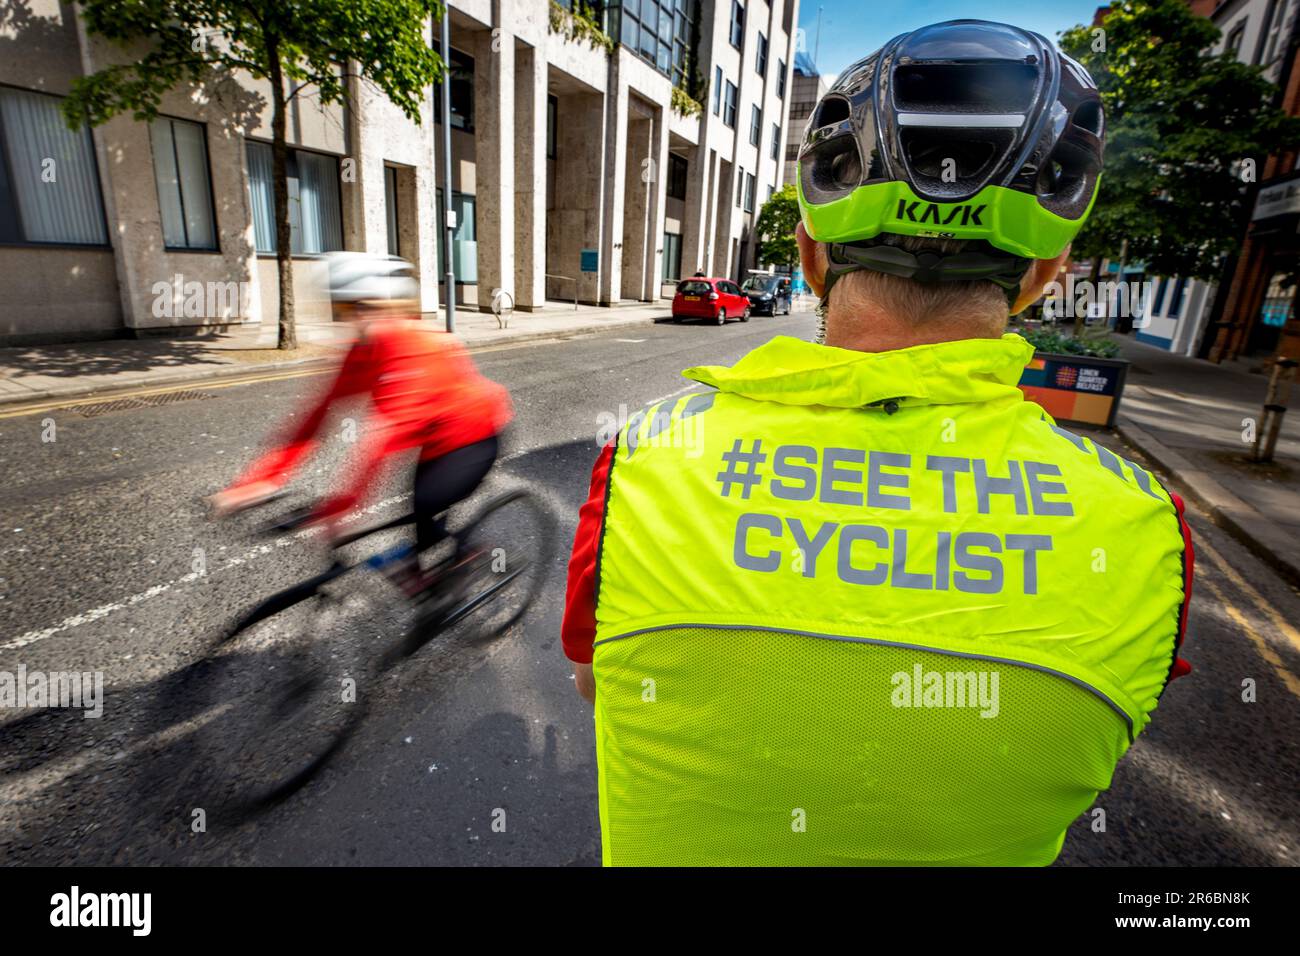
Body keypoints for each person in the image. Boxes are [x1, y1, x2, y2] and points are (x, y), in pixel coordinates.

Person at [560, 19, 1193, 866]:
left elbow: (596, 684)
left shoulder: (640, 461)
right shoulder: (1149, 529)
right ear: (1046, 273)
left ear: (812, 255)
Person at [212, 253, 513, 579]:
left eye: (367, 307)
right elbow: (315, 419)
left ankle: (465, 560)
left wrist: (340, 509)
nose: (358, 319)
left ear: (393, 306)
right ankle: (426, 581)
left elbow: (384, 437)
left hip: (475, 436)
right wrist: (258, 482)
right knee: (417, 518)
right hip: (433, 439)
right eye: (346, 309)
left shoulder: (416, 345)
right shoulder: (361, 352)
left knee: (426, 503)